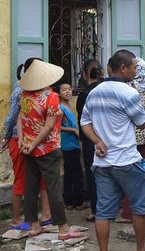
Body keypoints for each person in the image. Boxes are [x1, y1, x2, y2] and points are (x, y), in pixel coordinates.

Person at [80, 50, 145, 251]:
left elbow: (85, 123)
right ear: (123, 68)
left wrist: (97, 141)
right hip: (127, 161)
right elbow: (142, 123)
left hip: (103, 163)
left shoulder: (94, 91)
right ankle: (141, 249)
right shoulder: (129, 93)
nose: (135, 71)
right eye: (133, 67)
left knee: (103, 212)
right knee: (139, 208)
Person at [17, 60, 85, 240]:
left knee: (30, 187)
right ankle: (63, 228)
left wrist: (25, 141)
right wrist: (34, 143)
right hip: (47, 148)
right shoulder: (51, 97)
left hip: (28, 148)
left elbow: (20, 119)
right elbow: (48, 126)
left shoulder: (24, 95)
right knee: (53, 188)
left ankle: (33, 226)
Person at [0, 58, 52, 230]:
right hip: (20, 139)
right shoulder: (20, 91)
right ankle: (16, 218)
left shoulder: (43, 90)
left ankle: (46, 214)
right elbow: (13, 118)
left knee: (44, 178)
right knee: (22, 178)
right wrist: (7, 137)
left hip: (39, 140)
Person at [118, 57, 145, 222]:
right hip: (143, 138)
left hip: (125, 138)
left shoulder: (124, 90)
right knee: (144, 173)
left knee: (127, 176)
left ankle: (128, 212)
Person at [75, 64, 103, 222]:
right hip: (107, 136)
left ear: (86, 75)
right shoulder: (105, 89)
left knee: (93, 174)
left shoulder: (85, 94)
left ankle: (97, 210)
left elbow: (82, 120)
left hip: (90, 138)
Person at [53, 81, 85, 210]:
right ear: (59, 93)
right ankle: (77, 201)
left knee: (70, 173)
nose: (68, 91)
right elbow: (57, 126)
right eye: (64, 90)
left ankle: (70, 201)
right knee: (75, 173)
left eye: (70, 89)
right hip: (68, 144)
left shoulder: (69, 106)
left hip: (73, 143)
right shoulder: (60, 108)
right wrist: (73, 130)